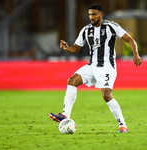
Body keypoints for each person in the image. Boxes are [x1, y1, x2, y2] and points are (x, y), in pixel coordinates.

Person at [49, 3, 142, 133]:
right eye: (89, 15)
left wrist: (136, 54)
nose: (91, 17)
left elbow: (130, 39)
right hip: (92, 66)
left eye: (94, 14)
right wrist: (67, 48)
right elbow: (76, 47)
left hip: (107, 66)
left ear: (100, 15)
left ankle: (123, 125)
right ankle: (66, 115)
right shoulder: (86, 30)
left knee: (106, 95)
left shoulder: (111, 26)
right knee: (72, 81)